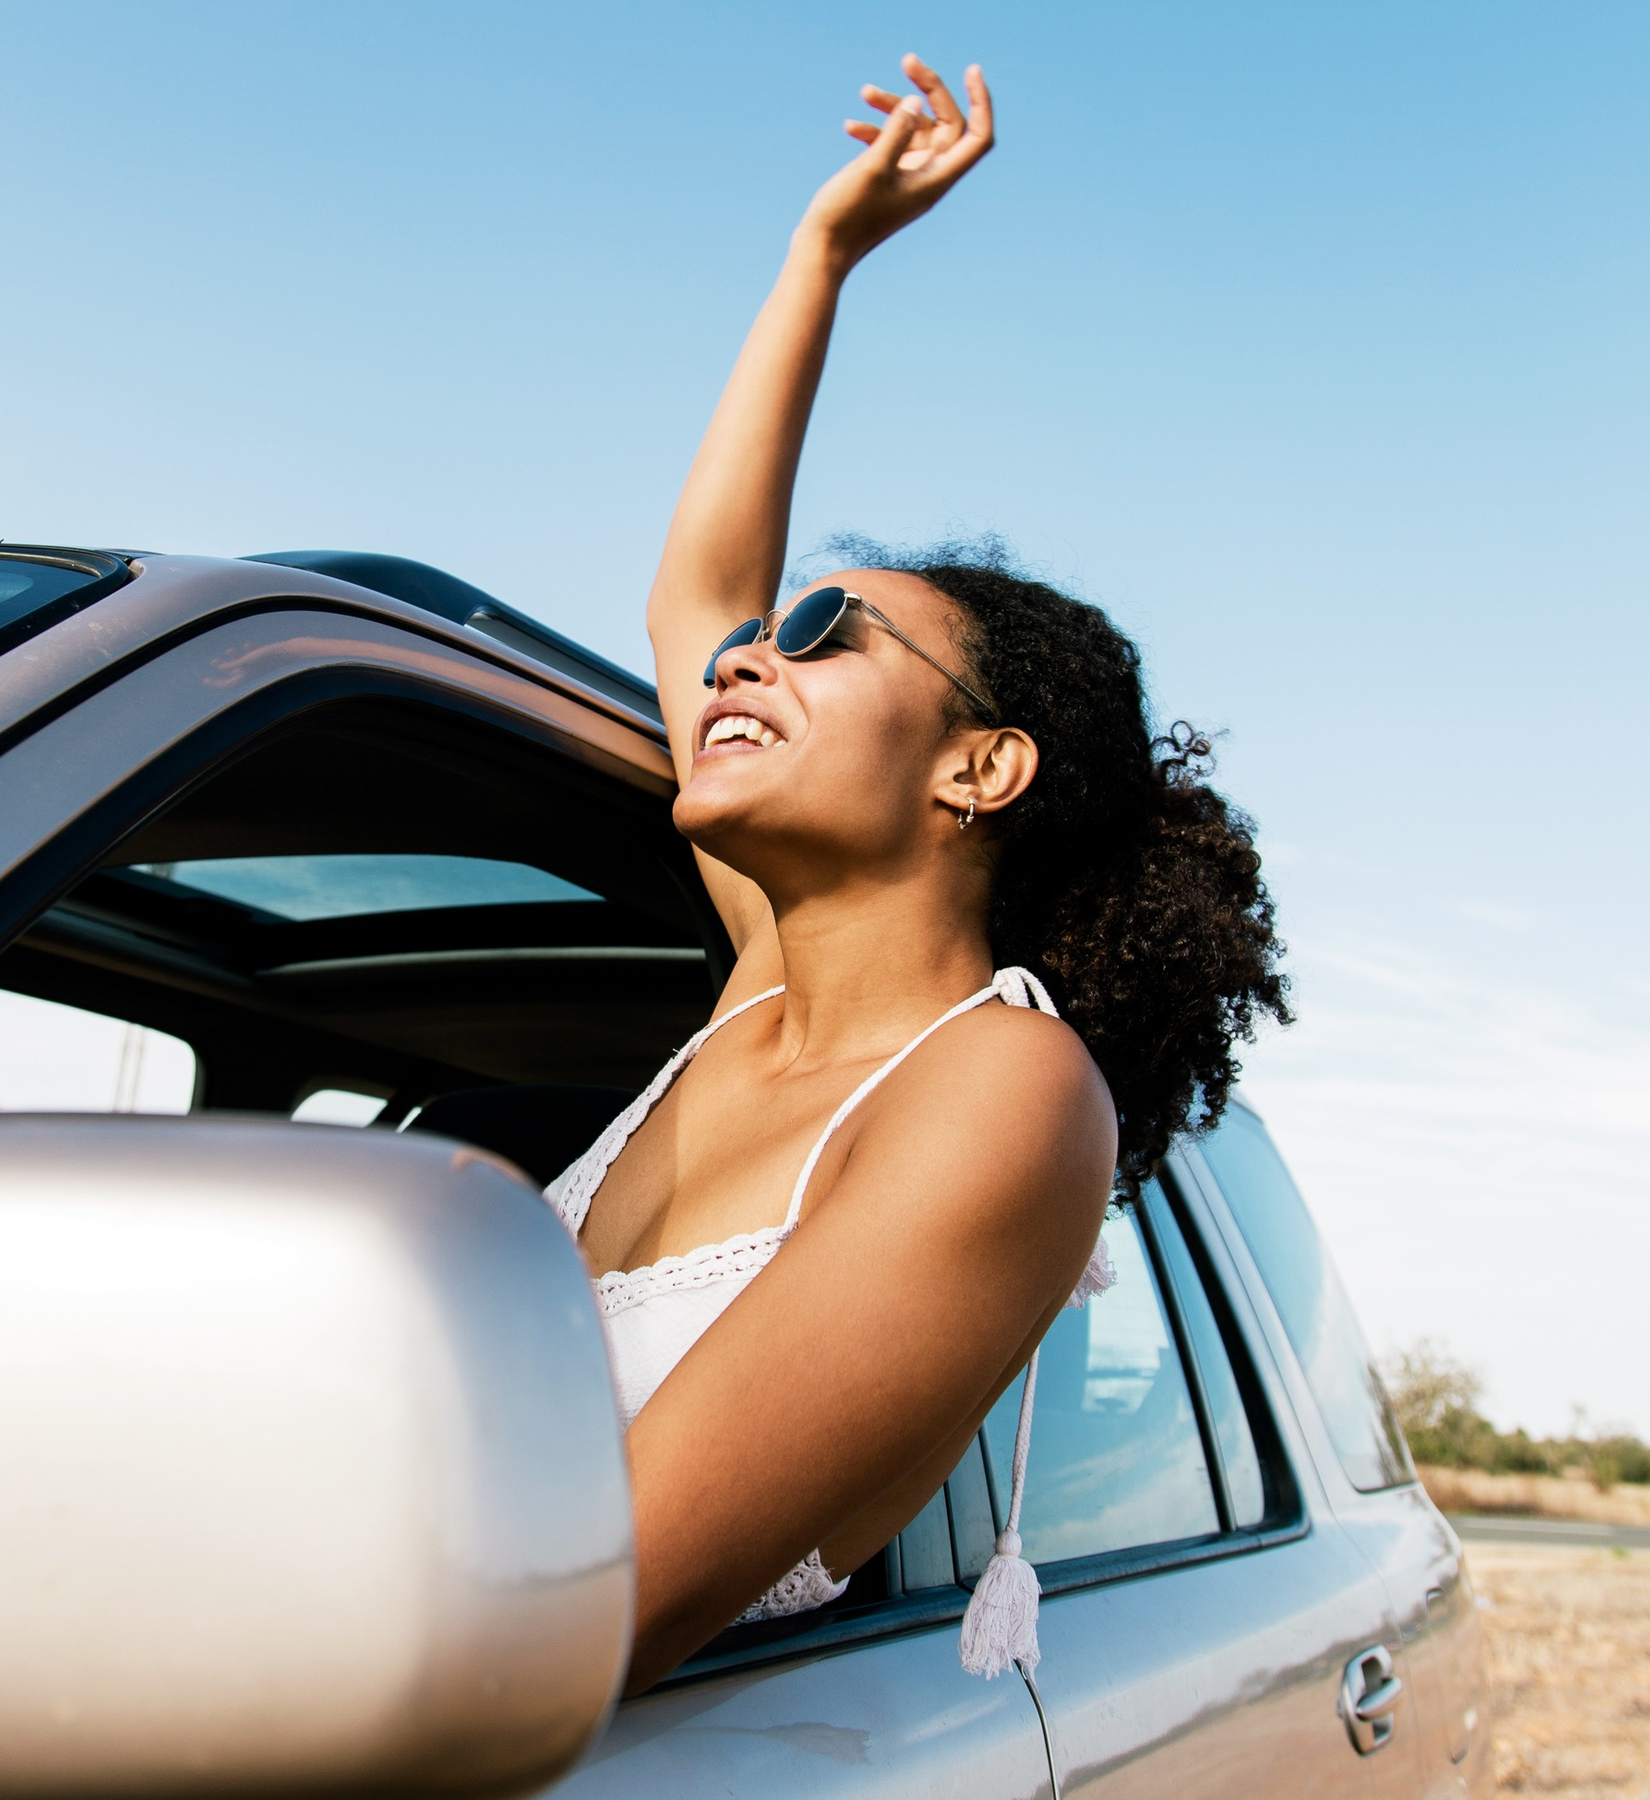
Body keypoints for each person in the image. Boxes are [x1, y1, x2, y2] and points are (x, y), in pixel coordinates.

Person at [547, 52, 1289, 1695]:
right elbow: (699, 597)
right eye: (763, 639)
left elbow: (577, 1614)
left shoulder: (1007, 1092)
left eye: (825, 635)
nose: (749, 657)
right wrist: (821, 258)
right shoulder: (761, 993)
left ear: (982, 765)